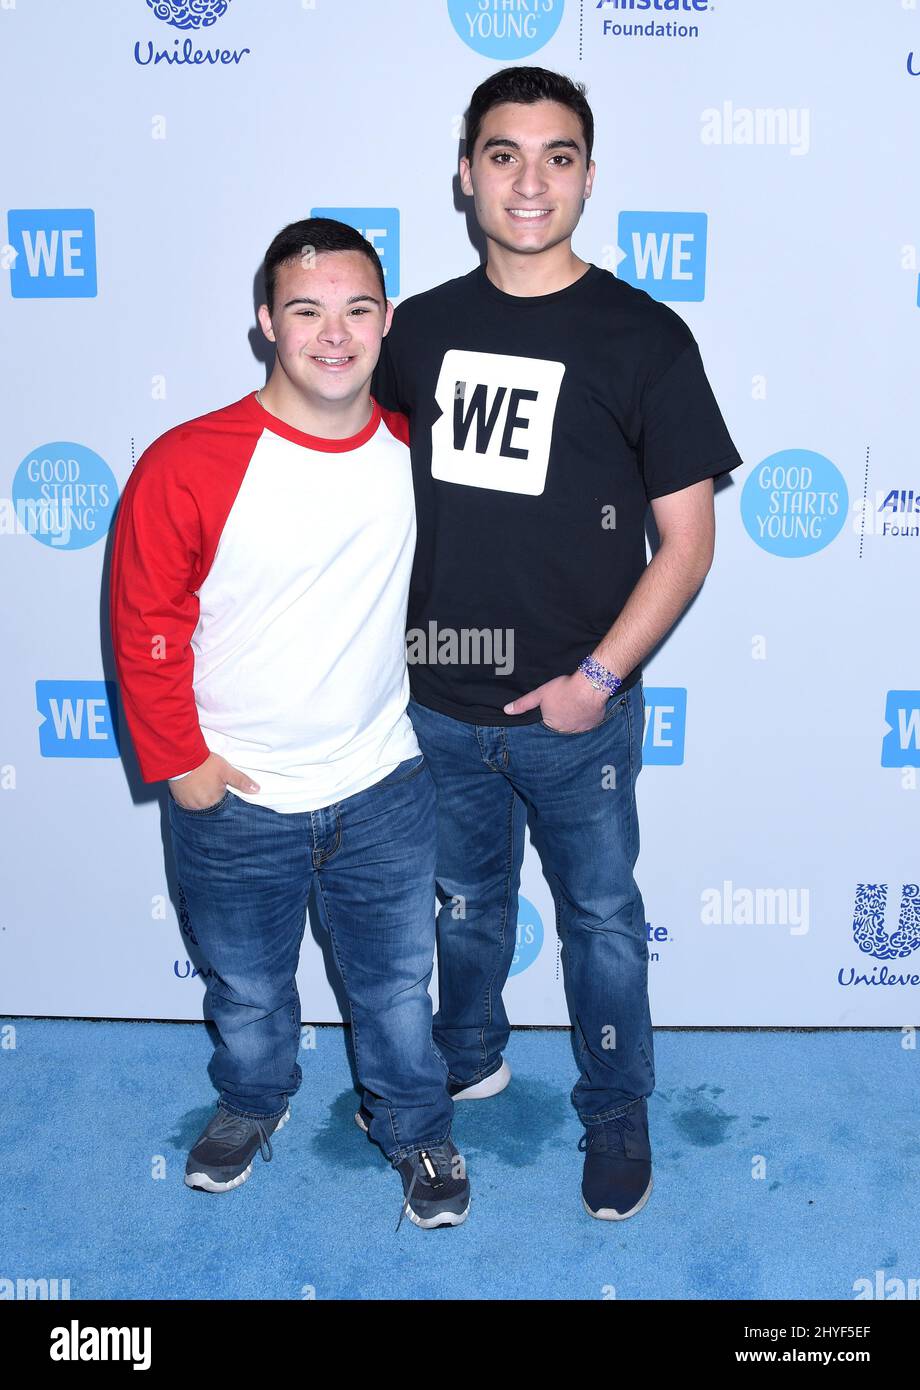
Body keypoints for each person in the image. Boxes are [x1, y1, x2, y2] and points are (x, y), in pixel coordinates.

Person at [371, 67, 745, 1221]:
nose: (528, 181)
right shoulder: (416, 329)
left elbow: (685, 542)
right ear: (465, 173)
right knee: (461, 909)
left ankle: (617, 1110)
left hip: (576, 716)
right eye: (502, 154)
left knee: (600, 923)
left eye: (557, 155)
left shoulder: (641, 336)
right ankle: (466, 1054)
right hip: (433, 703)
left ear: (586, 171)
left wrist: (594, 679)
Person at [109, 217, 469, 1229]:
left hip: (382, 786)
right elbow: (146, 620)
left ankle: (413, 1126)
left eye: (358, 309)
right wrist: (182, 765)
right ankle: (251, 1103)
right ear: (266, 321)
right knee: (251, 994)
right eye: (306, 310)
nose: (334, 333)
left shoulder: (415, 452)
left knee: (398, 994)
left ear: (386, 320)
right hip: (237, 799)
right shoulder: (189, 461)